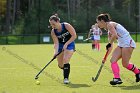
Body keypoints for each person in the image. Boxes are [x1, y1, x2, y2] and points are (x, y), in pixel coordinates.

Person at [96, 13, 140, 85]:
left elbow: (115, 35)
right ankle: (117, 78)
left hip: (128, 43)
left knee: (125, 64)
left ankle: (138, 72)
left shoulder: (110, 24)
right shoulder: (108, 30)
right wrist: (105, 58)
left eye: (98, 22)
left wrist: (109, 43)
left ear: (102, 21)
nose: (97, 24)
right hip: (121, 44)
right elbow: (110, 45)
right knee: (112, 60)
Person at [49, 14, 77, 84]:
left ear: (58, 21)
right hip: (61, 45)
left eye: (53, 24)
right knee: (61, 65)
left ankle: (66, 78)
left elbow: (74, 35)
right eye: (51, 25)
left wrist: (66, 44)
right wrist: (55, 52)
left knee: (65, 59)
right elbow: (56, 43)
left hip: (70, 43)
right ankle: (65, 69)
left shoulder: (66, 25)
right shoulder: (53, 32)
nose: (52, 26)